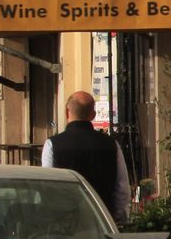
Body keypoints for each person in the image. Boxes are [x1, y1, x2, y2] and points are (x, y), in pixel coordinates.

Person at [40, 91, 132, 221]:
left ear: (67, 113)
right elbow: (122, 189)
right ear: (93, 115)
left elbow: (47, 187)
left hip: (65, 221)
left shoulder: (52, 145)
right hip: (102, 220)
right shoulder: (111, 144)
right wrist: (117, 218)